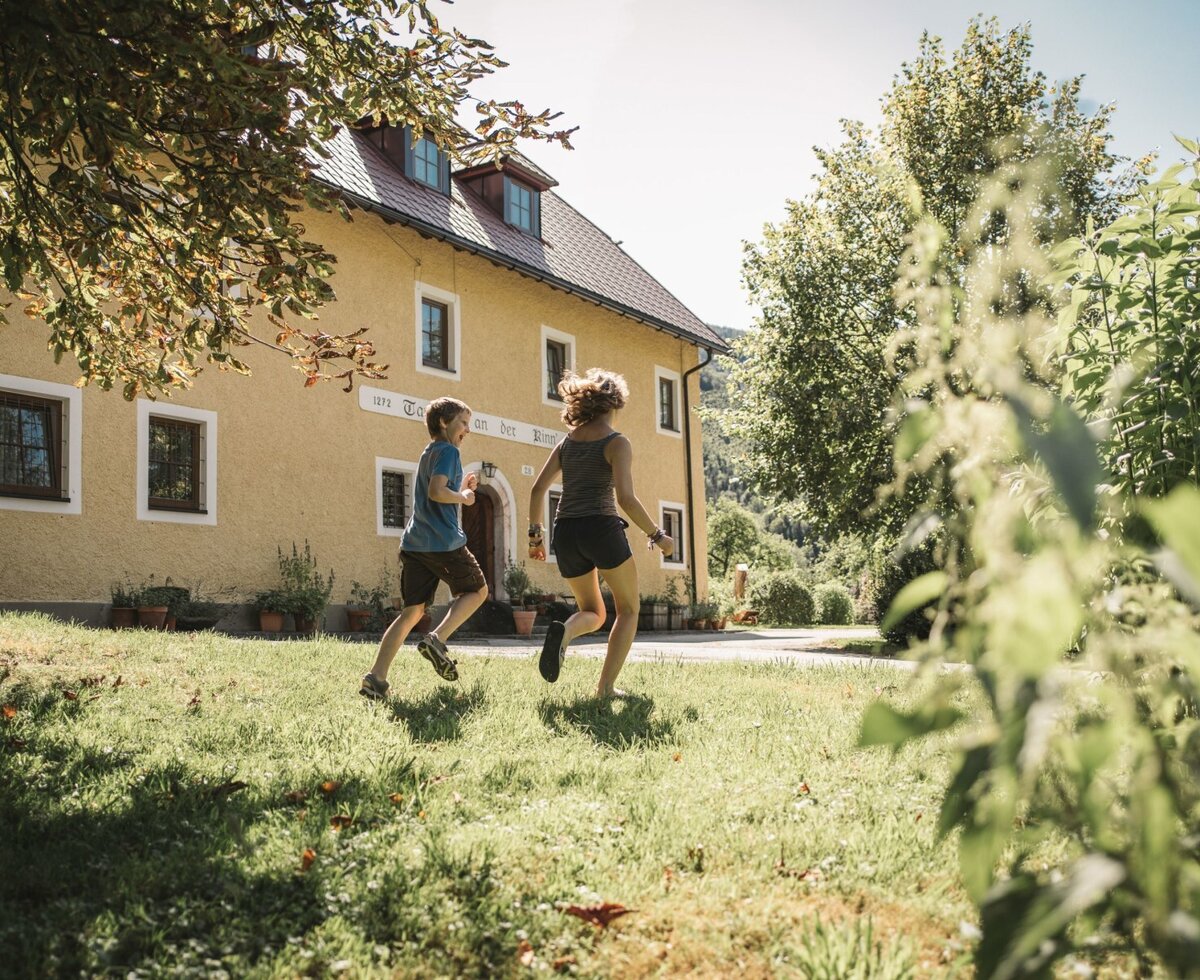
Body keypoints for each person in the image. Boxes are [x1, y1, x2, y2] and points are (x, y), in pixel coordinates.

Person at [527, 368, 674, 698]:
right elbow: (625, 499)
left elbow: (538, 490)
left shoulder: (567, 442)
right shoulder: (616, 442)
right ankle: (605, 688)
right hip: (600, 528)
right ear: (615, 403)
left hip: (564, 531)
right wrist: (658, 536)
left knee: (593, 612)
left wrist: (534, 540)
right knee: (628, 610)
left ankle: (564, 632)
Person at [359, 396, 488, 700]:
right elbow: (437, 491)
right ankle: (438, 639)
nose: (467, 430)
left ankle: (376, 678)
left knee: (412, 612)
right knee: (478, 591)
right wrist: (465, 498)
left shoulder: (429, 452)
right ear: (444, 423)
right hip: (442, 542)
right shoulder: (448, 451)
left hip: (415, 544)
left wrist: (461, 490)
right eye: (463, 423)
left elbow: (438, 488)